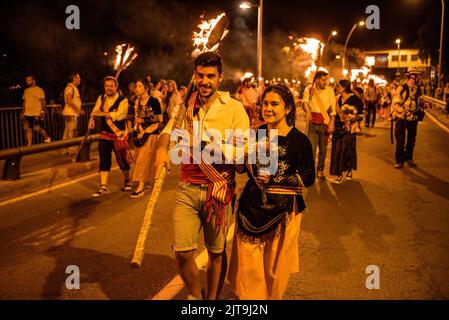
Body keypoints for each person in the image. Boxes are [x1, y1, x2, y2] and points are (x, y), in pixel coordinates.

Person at [154, 52, 250, 300]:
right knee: (182, 252)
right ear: (194, 75)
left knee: (216, 251)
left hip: (218, 189)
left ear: (220, 77)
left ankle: (212, 301)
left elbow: (243, 151)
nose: (205, 81)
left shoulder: (234, 109)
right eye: (200, 75)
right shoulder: (185, 105)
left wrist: (211, 147)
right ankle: (196, 296)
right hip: (187, 188)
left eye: (210, 76)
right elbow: (167, 130)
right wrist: (161, 151)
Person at [228, 83, 315, 300]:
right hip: (251, 206)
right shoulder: (253, 134)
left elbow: (308, 176)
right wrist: (237, 151)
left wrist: (278, 179)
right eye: (265, 103)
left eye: (274, 104)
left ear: (287, 109)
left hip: (284, 211)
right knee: (249, 263)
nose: (268, 108)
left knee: (275, 266)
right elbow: (239, 168)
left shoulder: (300, 141)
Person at [88, 76, 131, 197]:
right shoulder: (101, 98)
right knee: (104, 159)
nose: (109, 88)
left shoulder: (123, 100)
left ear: (116, 87)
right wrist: (91, 118)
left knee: (122, 160)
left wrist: (101, 113)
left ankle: (127, 180)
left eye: (111, 86)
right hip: (105, 134)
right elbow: (95, 110)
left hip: (119, 135)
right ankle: (103, 186)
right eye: (107, 86)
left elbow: (119, 115)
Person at [130, 79, 163, 198]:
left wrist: (144, 123)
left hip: (151, 133)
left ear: (146, 88)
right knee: (138, 158)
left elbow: (160, 119)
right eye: (136, 86)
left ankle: (141, 187)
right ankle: (148, 180)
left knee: (143, 160)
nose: (136, 88)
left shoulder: (154, 101)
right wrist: (136, 129)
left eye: (139, 86)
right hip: (139, 134)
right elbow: (136, 118)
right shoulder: (137, 101)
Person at [302, 69, 337, 180]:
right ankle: (311, 171)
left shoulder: (330, 90)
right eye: (323, 80)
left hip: (324, 123)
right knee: (311, 148)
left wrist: (332, 123)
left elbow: (332, 109)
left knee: (323, 149)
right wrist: (307, 112)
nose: (325, 82)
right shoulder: (309, 89)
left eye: (326, 80)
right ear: (316, 80)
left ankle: (320, 170)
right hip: (312, 122)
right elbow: (305, 102)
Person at [330, 80, 364, 184]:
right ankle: (339, 174)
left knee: (349, 149)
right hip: (339, 128)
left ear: (344, 87)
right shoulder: (337, 99)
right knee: (337, 151)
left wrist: (351, 118)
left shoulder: (355, 99)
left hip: (350, 128)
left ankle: (349, 170)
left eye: (339, 86)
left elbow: (361, 114)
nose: (337, 88)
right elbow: (333, 112)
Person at [391, 67, 424, 169]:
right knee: (400, 141)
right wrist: (404, 112)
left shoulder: (419, 89)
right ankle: (399, 160)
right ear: (412, 76)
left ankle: (409, 158)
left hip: (413, 119)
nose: (419, 77)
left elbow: (420, 102)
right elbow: (395, 104)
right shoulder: (402, 88)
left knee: (411, 140)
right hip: (402, 119)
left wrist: (423, 106)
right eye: (417, 75)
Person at [21, 75, 51, 146]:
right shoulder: (26, 91)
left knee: (38, 129)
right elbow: (24, 102)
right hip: (27, 113)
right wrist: (23, 112)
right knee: (28, 129)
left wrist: (42, 111)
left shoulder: (39, 90)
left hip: (36, 113)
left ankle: (47, 137)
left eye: (29, 80)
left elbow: (43, 102)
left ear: (33, 81)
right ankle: (29, 145)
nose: (27, 82)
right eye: (26, 80)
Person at [62, 73, 84, 155]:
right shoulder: (70, 88)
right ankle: (71, 150)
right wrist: (79, 109)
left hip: (70, 112)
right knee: (72, 131)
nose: (79, 80)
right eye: (78, 78)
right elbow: (69, 100)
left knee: (67, 131)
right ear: (74, 78)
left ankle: (65, 150)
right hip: (70, 112)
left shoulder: (72, 88)